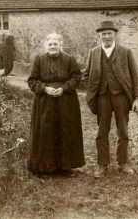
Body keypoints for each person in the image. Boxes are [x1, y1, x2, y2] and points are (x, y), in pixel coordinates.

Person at [83, 21, 138, 179]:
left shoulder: (125, 52)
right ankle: (102, 165)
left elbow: (135, 76)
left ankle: (123, 163)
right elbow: (87, 74)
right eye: (104, 34)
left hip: (121, 95)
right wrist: (92, 88)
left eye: (109, 33)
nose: (107, 36)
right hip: (102, 96)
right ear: (99, 36)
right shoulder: (94, 52)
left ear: (115, 34)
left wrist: (137, 98)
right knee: (102, 131)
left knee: (122, 130)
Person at [27, 33, 86, 175]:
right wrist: (45, 89)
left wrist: (63, 88)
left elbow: (77, 77)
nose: (53, 46)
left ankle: (66, 167)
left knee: (65, 130)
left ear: (61, 45)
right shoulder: (39, 60)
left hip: (65, 101)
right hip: (44, 102)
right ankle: (45, 167)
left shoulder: (69, 59)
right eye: (50, 44)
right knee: (45, 131)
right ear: (45, 46)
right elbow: (32, 80)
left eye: (55, 44)